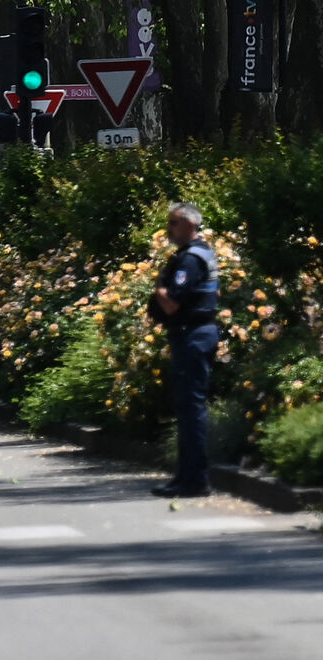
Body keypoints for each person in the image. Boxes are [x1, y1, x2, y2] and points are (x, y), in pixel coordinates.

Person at [148, 202, 220, 498]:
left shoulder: (190, 259)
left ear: (190, 224)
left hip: (193, 335)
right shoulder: (199, 253)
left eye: (174, 223)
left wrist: (159, 289)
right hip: (193, 334)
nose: (169, 229)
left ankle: (195, 480)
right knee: (186, 408)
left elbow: (172, 302)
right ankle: (185, 477)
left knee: (191, 409)